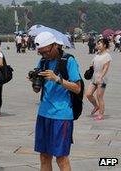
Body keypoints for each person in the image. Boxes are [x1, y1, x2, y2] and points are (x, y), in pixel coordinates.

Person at [31, 32, 82, 171]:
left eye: (45, 52)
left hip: (61, 115)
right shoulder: (43, 62)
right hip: (43, 113)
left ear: (54, 46)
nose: (43, 55)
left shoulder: (68, 61)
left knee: (61, 158)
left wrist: (57, 79)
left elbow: (77, 88)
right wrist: (35, 81)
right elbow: (37, 90)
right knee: (44, 156)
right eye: (40, 53)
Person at [86, 38, 112, 121]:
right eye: (97, 43)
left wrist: (101, 77)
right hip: (94, 78)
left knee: (99, 96)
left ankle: (101, 114)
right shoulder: (97, 54)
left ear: (104, 45)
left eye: (100, 43)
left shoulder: (107, 55)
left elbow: (106, 68)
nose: (98, 45)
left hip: (102, 79)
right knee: (88, 94)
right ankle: (96, 106)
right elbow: (93, 64)